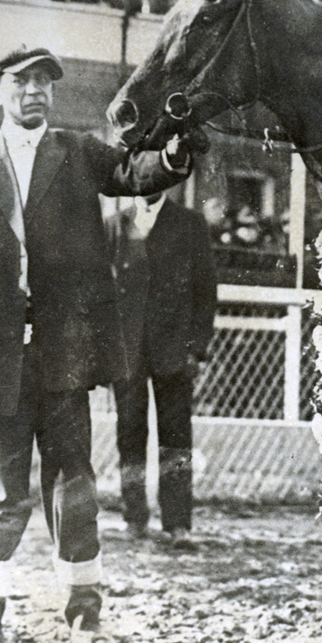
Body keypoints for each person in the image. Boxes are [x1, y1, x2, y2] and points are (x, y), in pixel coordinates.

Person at [0, 44, 193, 643]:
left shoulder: (79, 152)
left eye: (44, 82)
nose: (35, 91)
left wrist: (172, 151)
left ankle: (85, 614)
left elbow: (136, 174)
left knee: (74, 485)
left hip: (65, 353)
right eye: (21, 82)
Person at [106, 189, 217, 546]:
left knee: (176, 438)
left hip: (174, 350)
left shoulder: (189, 224)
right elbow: (101, 290)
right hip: (127, 351)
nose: (147, 183)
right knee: (129, 433)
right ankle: (134, 518)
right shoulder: (115, 226)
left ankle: (177, 523)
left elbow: (205, 290)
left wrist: (196, 349)